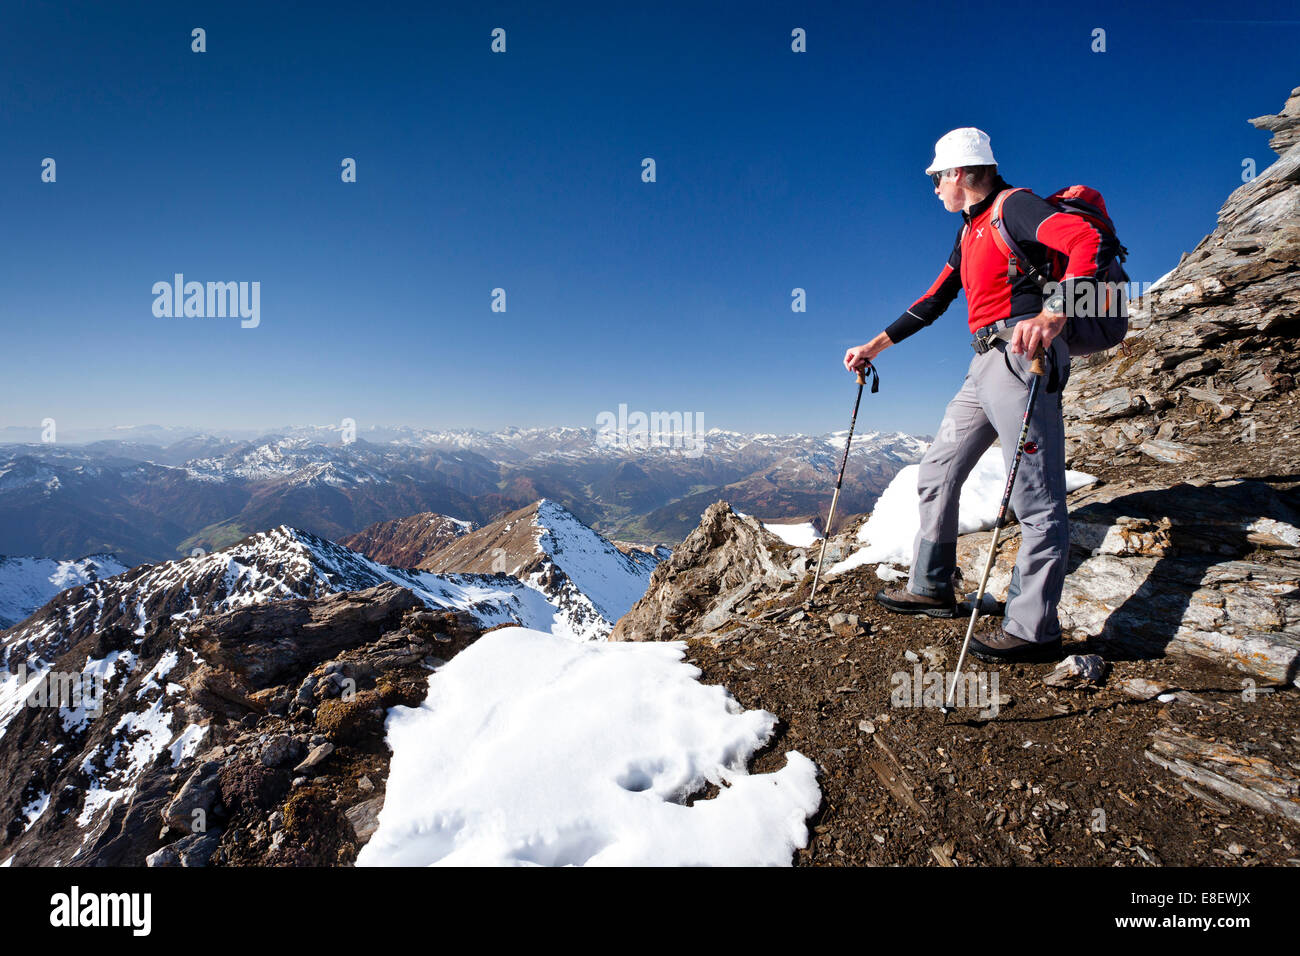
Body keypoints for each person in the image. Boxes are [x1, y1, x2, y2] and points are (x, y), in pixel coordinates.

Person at [844, 127, 1117, 662]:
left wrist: (1054, 313)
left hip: (1023, 355)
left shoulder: (1014, 208)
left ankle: (1033, 629)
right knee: (937, 470)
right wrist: (876, 344)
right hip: (985, 361)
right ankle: (932, 586)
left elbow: (1089, 243)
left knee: (1035, 496)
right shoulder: (970, 230)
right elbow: (938, 295)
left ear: (961, 173)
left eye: (936, 177)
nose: (933, 188)